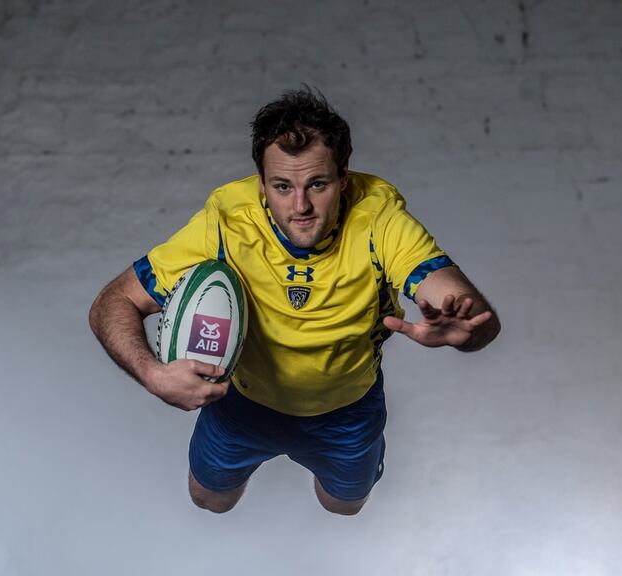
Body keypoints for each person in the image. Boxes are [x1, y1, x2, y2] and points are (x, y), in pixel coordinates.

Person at [89, 87, 500, 516]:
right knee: (208, 499)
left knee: (344, 507)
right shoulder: (226, 224)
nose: (300, 206)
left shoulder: (380, 220)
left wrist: (468, 330)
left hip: (347, 412)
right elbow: (115, 300)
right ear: (261, 183)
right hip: (243, 403)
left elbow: (461, 302)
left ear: (344, 177)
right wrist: (152, 374)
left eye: (317, 184)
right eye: (282, 186)